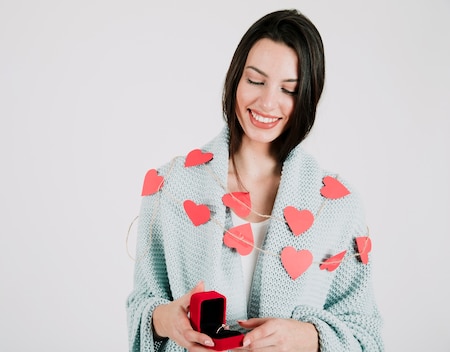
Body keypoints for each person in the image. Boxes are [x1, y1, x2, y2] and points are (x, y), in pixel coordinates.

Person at [126, 9, 384, 352]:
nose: (267, 102)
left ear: (307, 96)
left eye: (288, 89)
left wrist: (309, 337)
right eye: (256, 80)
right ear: (235, 78)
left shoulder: (336, 207)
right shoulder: (171, 187)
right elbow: (142, 306)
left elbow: (366, 335)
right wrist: (165, 319)